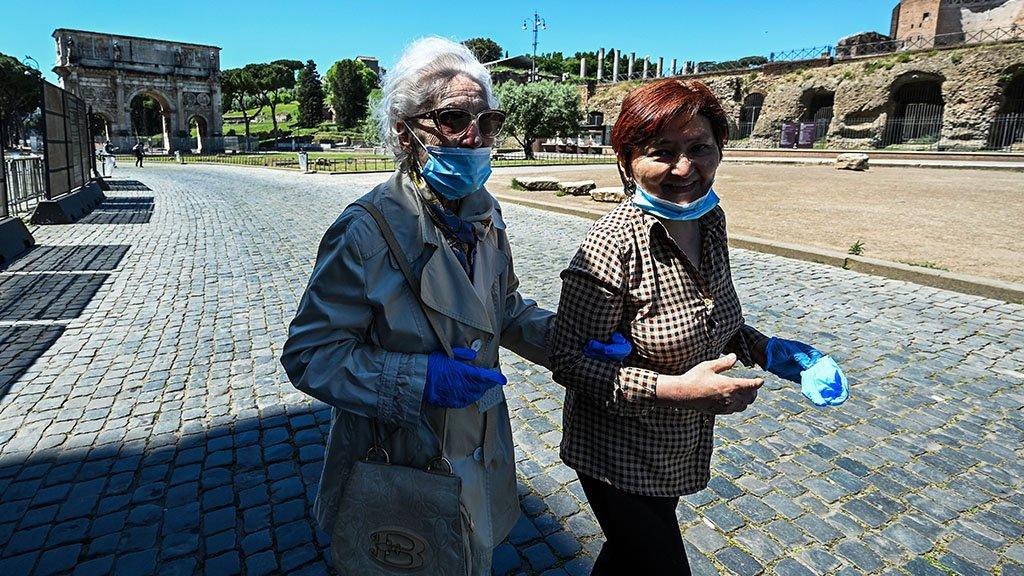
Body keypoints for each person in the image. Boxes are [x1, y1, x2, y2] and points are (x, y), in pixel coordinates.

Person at [280, 37, 625, 575]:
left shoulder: (485, 215)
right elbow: (309, 354)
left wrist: (569, 337)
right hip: (400, 462)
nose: (474, 136)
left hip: (479, 449)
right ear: (405, 131)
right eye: (453, 118)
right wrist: (416, 379)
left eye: (486, 121)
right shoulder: (364, 232)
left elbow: (505, 310)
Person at [549, 79, 848, 575]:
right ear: (627, 161)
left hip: (676, 447)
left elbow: (716, 319)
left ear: (719, 151)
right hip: (615, 454)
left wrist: (772, 351)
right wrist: (678, 390)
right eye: (661, 152)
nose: (685, 168)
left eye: (699, 148)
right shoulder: (610, 247)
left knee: (627, 558)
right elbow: (567, 360)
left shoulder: (710, 221)